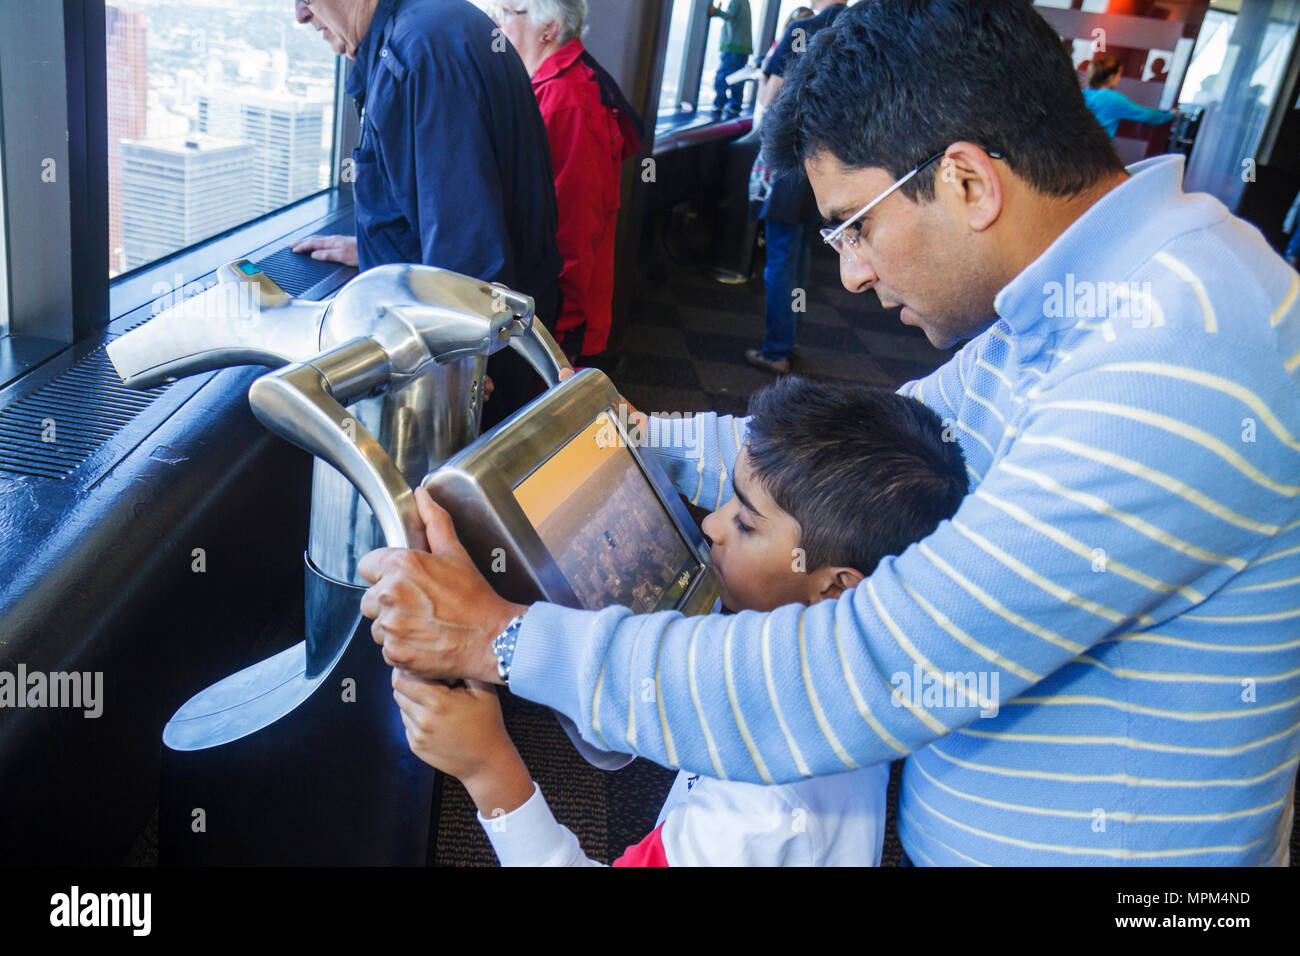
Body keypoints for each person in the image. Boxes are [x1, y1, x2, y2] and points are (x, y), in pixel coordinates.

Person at [359, 0, 1300, 866]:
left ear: (967, 181)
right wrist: (633, 438)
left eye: (852, 228)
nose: (849, 276)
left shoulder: (1177, 345)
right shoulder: (1090, 303)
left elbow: (867, 663)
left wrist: (501, 642)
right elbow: (877, 453)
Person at [392, 377, 968, 866]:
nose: (712, 526)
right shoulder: (854, 675)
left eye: (745, 522)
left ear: (836, 586)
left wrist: (488, 768)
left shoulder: (757, 822)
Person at [289, 0, 563, 423]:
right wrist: (377, 248)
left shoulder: (419, 55)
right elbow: (442, 197)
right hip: (504, 342)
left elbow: (468, 247)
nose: (300, 15)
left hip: (477, 378)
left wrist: (460, 366)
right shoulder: (426, 28)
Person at [489, 0, 643, 364]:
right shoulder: (548, 86)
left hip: (560, 323)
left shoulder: (568, 101)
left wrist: (561, 336)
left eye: (508, 12)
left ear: (550, 28)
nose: (496, 22)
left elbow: (573, 229)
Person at [745, 0, 847, 376]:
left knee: (781, 262)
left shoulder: (801, 31)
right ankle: (791, 336)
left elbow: (770, 101)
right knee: (802, 253)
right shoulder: (860, 28)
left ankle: (776, 350)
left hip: (793, 164)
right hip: (832, 168)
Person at [1083, 53, 1176, 138]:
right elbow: (1147, 115)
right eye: (1119, 75)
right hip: (1098, 150)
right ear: (1112, 77)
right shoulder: (1112, 99)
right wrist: (1170, 115)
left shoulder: (1084, 93)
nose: (1119, 78)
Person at [708, 0, 752, 120]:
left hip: (733, 46)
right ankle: (735, 105)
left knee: (723, 75)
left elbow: (730, 15)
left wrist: (716, 11)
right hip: (744, 47)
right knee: (738, 78)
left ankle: (719, 102)